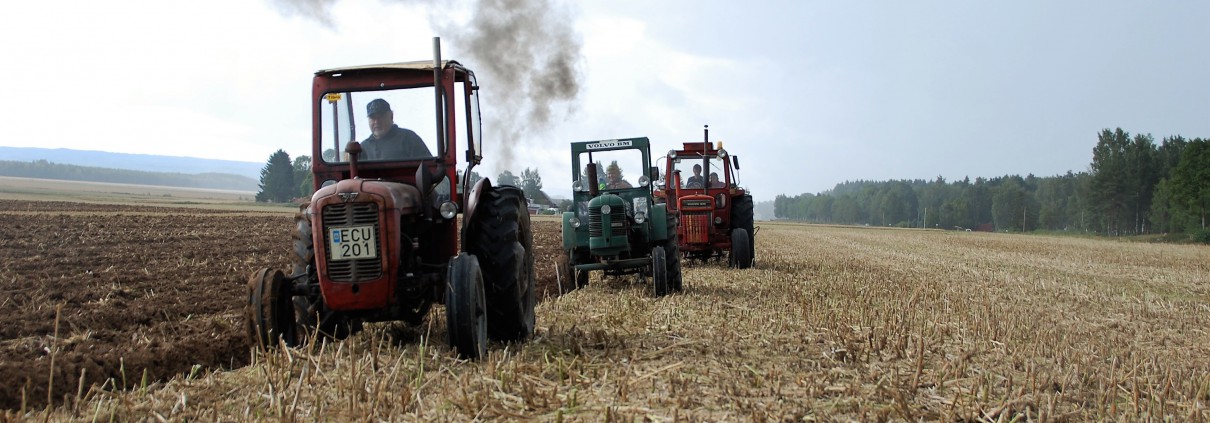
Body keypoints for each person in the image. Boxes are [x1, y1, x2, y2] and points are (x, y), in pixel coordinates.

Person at [359, 98, 432, 160]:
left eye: (380, 116)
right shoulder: (362, 147)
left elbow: (428, 167)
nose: (376, 121)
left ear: (391, 116)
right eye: (373, 118)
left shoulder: (408, 138)